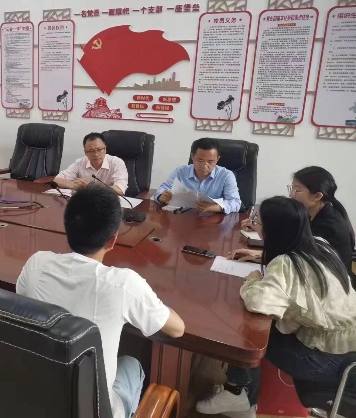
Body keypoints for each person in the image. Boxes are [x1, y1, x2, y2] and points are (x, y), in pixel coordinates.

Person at [16, 184, 185, 418]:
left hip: (36, 396)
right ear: (112, 241)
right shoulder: (124, 284)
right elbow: (177, 329)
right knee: (132, 365)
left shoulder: (36, 264)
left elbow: (23, 300)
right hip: (93, 410)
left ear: (67, 228)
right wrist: (148, 300)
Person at [196, 196, 356, 418]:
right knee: (259, 326)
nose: (255, 227)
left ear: (274, 230)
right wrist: (259, 255)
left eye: (259, 223)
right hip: (347, 349)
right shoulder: (320, 244)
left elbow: (257, 302)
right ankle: (244, 399)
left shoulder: (287, 264)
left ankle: (237, 393)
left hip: (328, 360)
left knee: (245, 330)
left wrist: (252, 279)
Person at [241, 166, 355, 276]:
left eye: (297, 190)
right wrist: (261, 227)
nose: (291, 195)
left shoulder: (328, 227)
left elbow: (301, 260)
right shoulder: (312, 214)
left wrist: (261, 254)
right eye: (291, 188)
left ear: (317, 196)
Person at [154, 138, 241, 214]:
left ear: (217, 159)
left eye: (210, 161)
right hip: (185, 218)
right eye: (200, 161)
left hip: (214, 221)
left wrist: (214, 207)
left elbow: (236, 203)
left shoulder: (226, 176)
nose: (204, 166)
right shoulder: (180, 172)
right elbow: (162, 189)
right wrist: (161, 196)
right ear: (192, 156)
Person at [54, 132, 128, 195]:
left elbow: (120, 190)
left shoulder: (116, 163)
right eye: (91, 151)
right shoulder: (80, 162)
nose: (96, 154)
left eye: (99, 149)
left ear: (105, 149)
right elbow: (56, 180)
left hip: (109, 202)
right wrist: (74, 186)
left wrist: (91, 187)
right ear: (86, 152)